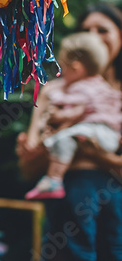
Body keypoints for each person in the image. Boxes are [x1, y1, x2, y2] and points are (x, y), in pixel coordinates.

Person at [17, 2, 122, 261]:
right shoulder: (55, 92)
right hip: (67, 207)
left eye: (103, 30)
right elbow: (28, 168)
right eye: (86, 30)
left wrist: (90, 151)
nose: (93, 37)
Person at [25, 32, 121, 200]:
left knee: (58, 140)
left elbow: (77, 111)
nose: (61, 72)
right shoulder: (102, 87)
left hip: (94, 134)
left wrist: (58, 116)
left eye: (63, 66)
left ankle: (53, 179)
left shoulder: (79, 88)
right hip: (108, 138)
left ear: (76, 68)